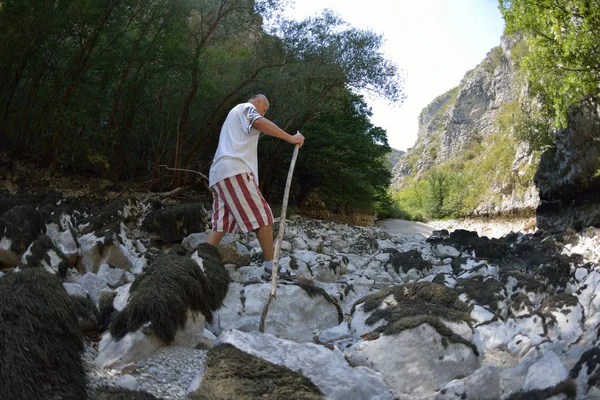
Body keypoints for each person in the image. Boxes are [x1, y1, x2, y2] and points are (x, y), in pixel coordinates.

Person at [205, 94, 304, 279]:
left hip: (219, 173)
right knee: (264, 217)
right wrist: (291, 138)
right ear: (258, 102)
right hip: (234, 169)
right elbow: (258, 122)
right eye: (264, 109)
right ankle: (270, 267)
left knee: (220, 225)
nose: (264, 113)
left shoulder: (234, 117)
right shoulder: (245, 108)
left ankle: (197, 264)